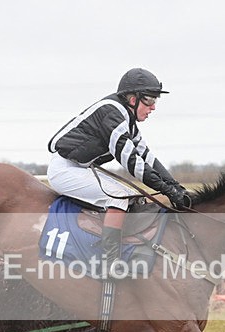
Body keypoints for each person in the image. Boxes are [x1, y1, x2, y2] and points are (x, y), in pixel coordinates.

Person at [47, 67, 190, 279]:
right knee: (119, 199)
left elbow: (148, 158)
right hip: (65, 170)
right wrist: (168, 191)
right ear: (133, 99)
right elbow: (133, 163)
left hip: (81, 167)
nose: (153, 108)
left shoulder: (127, 121)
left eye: (155, 102)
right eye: (149, 101)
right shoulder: (112, 115)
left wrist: (176, 186)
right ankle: (109, 263)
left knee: (132, 196)